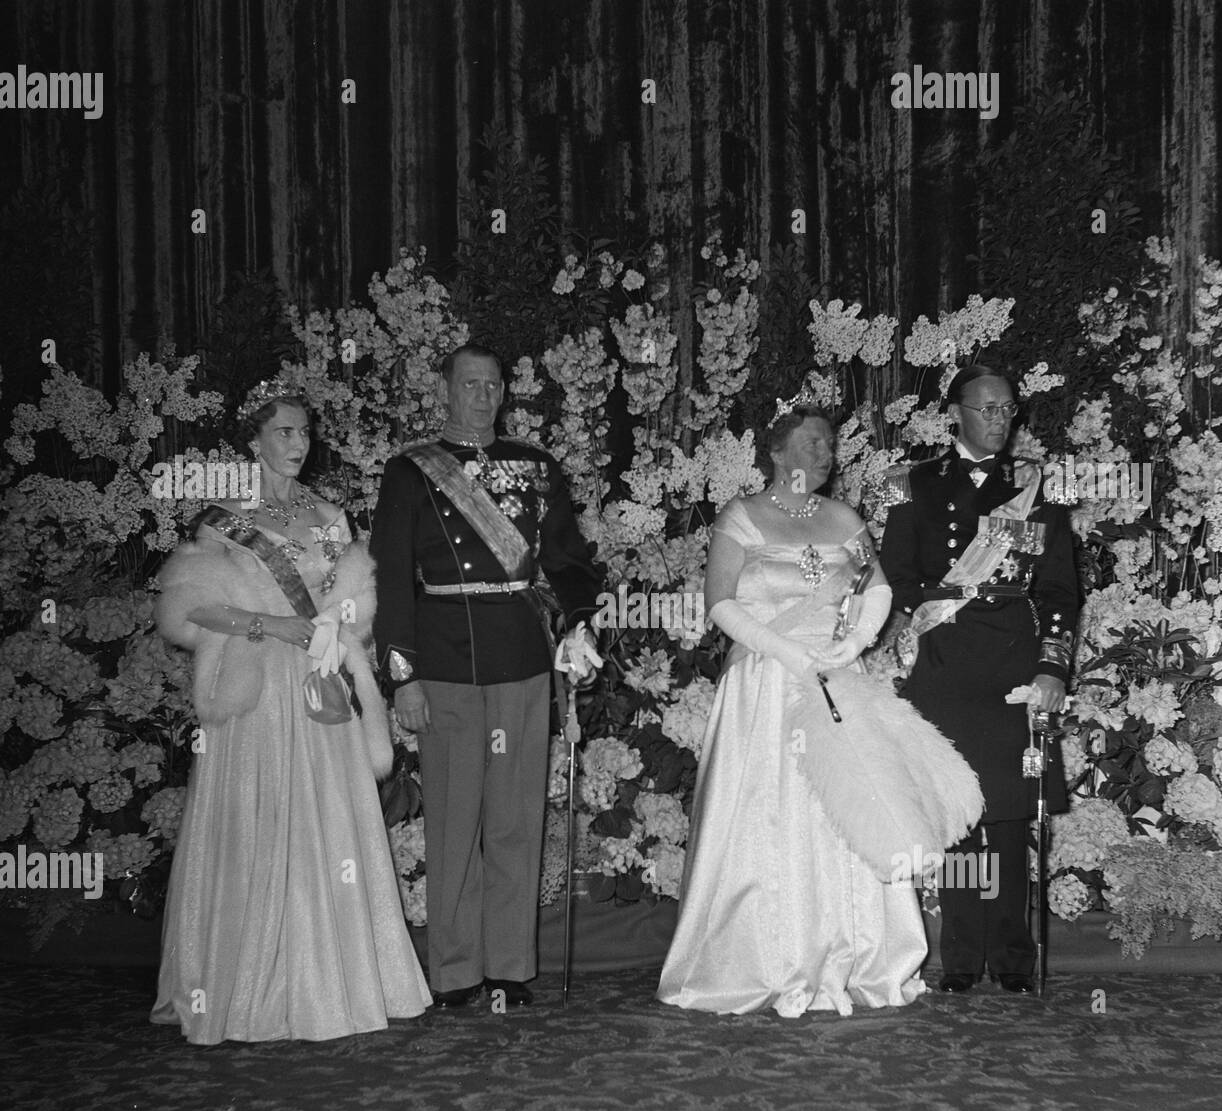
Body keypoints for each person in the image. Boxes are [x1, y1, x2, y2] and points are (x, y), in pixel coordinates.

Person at [656, 406, 983, 1018]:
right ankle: (761, 958)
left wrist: (853, 644)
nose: (825, 452)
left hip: (835, 680)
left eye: (830, 443)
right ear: (778, 454)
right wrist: (789, 655)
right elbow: (719, 604)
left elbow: (878, 587)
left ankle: (857, 955)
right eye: (811, 442)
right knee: (768, 812)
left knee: (845, 811)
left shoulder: (842, 519)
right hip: (765, 684)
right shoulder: (743, 516)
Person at [151, 381, 432, 1044]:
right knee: (257, 818)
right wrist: (273, 628)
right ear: (252, 440)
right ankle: (244, 982)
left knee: (329, 820)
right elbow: (190, 609)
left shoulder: (329, 520)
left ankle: (334, 978)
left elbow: (355, 596)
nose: (297, 444)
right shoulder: (222, 522)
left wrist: (334, 626)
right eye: (283, 432)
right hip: (255, 691)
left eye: (304, 432)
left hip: (319, 679)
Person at [370, 344, 603, 1010]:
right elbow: (391, 576)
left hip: (521, 656)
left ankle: (508, 965)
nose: (482, 395)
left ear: (505, 392)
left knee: (515, 818)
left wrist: (580, 621)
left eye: (493, 384)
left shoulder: (535, 467)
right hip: (441, 662)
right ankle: (453, 970)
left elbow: (567, 558)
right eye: (469, 383)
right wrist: (402, 675)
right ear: (445, 389)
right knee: (453, 818)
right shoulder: (410, 473)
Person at [879, 365, 1080, 994]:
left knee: (1013, 815)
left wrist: (1051, 667)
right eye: (987, 408)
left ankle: (1013, 958)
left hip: (1012, 667)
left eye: (1008, 408)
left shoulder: (1034, 492)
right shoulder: (911, 484)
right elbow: (894, 575)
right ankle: (962, 958)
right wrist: (938, 604)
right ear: (956, 414)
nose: (1000, 419)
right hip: (943, 664)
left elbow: (1057, 593)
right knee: (957, 810)